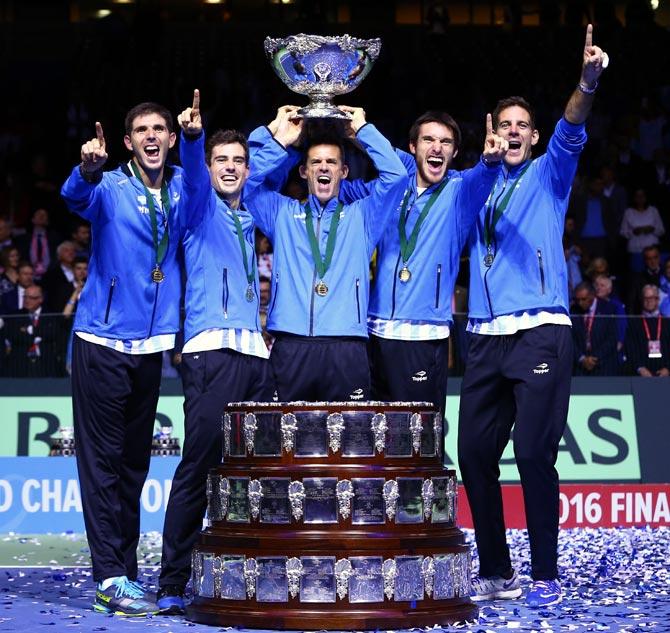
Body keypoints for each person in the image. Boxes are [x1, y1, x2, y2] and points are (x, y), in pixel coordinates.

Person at [458, 24, 608, 608]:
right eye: (505, 126)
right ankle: (497, 570)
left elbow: (573, 124)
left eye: (523, 126)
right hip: (484, 339)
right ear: (492, 136)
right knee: (473, 454)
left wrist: (586, 82)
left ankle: (543, 571)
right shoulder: (474, 187)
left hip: (541, 330)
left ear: (534, 135)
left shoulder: (550, 173)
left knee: (531, 454)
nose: (514, 133)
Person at [61, 103, 184, 616]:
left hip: (152, 347)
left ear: (172, 138)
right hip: (103, 341)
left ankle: (125, 571)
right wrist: (86, 168)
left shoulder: (182, 186)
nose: (151, 136)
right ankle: (109, 576)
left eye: (159, 129)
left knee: (135, 466)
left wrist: (201, 144)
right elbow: (76, 196)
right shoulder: (109, 186)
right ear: (128, 142)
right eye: (141, 130)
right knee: (102, 465)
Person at [156, 90, 275, 615]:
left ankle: (243, 570)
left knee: (253, 471)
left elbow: (267, 166)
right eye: (221, 161)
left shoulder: (248, 218)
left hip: (255, 354)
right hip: (211, 351)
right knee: (198, 466)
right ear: (207, 169)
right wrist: (194, 138)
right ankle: (172, 580)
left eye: (239, 161)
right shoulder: (197, 205)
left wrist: (278, 134)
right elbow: (197, 175)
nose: (231, 168)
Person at [337, 111, 504, 417]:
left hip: (423, 337)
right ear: (413, 147)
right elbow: (334, 189)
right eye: (428, 139)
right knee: (374, 442)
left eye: (446, 142)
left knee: (419, 444)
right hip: (372, 332)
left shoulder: (460, 191)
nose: (437, 148)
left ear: (454, 152)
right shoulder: (388, 188)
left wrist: (491, 161)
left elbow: (484, 176)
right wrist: (336, 131)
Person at [244, 106, 408, 400]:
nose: (323, 167)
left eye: (332, 162)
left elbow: (396, 176)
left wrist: (363, 130)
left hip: (347, 346)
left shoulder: (364, 216)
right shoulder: (282, 213)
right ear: (303, 171)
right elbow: (247, 185)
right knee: (286, 444)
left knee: (348, 444)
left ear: (343, 172)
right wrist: (279, 139)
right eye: (315, 162)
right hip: (291, 345)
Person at [571, 281, 619, 376]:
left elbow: (612, 338)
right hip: (580, 367)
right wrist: (582, 358)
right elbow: (570, 339)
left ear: (592, 295)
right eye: (577, 300)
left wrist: (595, 358)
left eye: (583, 299)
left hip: (603, 365)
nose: (580, 303)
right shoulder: (573, 310)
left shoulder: (608, 308)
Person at [625, 284, 670, 377]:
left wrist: (668, 368)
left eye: (651, 298)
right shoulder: (634, 323)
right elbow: (630, 348)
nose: (648, 301)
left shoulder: (667, 323)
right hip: (641, 374)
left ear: (657, 300)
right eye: (645, 298)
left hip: (665, 374)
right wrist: (640, 368)